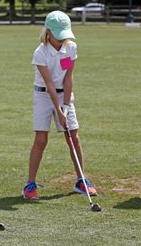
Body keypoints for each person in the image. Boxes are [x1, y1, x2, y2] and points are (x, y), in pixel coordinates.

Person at [23, 11, 98, 200]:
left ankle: (81, 180)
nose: (61, 40)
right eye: (58, 36)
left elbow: (68, 77)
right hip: (43, 96)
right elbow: (49, 84)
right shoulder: (40, 53)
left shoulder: (70, 47)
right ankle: (30, 185)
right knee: (41, 139)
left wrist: (65, 106)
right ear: (48, 32)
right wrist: (58, 110)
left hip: (64, 94)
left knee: (73, 135)